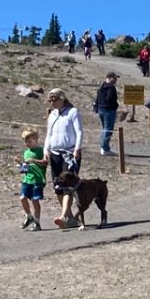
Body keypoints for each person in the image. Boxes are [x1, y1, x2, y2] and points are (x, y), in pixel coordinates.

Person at [43, 89, 84, 228]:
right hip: (55, 154)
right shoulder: (52, 115)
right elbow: (49, 134)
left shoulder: (72, 112)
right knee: (58, 186)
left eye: (54, 99)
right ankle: (70, 218)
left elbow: (79, 131)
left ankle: (63, 216)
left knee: (68, 185)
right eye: (50, 100)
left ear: (62, 98)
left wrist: (77, 148)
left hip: (69, 153)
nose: (52, 102)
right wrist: (46, 150)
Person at [17, 128, 46, 231]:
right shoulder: (26, 152)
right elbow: (25, 168)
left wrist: (34, 160)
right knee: (22, 198)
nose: (27, 144)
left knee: (35, 200)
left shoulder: (41, 150)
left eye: (29, 141)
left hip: (38, 180)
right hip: (27, 179)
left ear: (36, 140)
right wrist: (20, 164)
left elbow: (45, 162)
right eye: (25, 142)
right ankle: (29, 216)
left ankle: (37, 222)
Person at [94, 73, 120, 157]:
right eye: (114, 78)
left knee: (104, 129)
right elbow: (110, 99)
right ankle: (104, 148)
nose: (116, 80)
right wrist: (115, 106)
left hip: (101, 109)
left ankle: (103, 147)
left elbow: (97, 98)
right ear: (109, 78)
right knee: (108, 129)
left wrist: (96, 107)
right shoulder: (111, 88)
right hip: (108, 110)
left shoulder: (101, 86)